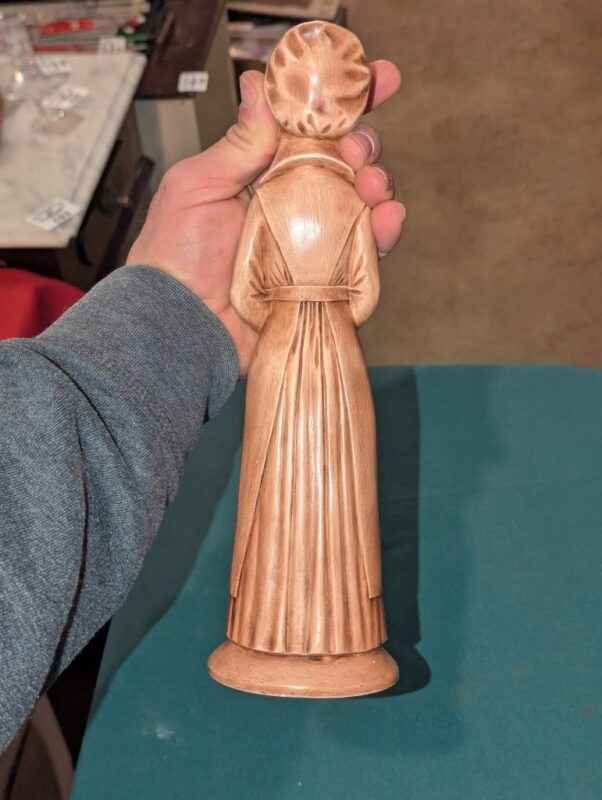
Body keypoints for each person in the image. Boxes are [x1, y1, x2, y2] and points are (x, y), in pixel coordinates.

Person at [0, 64, 404, 753]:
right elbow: (360, 296)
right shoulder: (336, 197)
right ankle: (340, 628)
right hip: (332, 351)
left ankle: (273, 628)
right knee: (333, 484)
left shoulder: (274, 196)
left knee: (279, 485)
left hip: (283, 349)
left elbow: (246, 292)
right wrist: (324, 312)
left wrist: (256, 314)